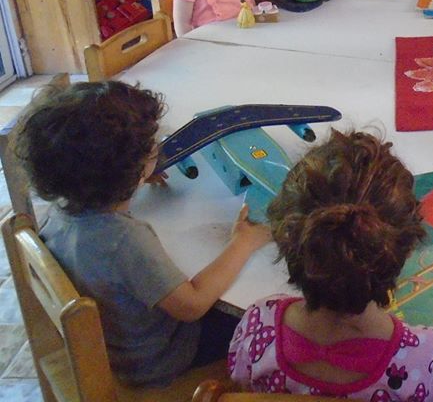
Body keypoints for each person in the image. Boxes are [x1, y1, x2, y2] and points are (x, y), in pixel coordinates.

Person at [13, 80, 271, 387]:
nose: (158, 150)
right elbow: (192, 305)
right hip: (157, 362)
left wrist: (132, 178)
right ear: (128, 169)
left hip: (114, 345)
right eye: (151, 147)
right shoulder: (124, 240)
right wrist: (243, 243)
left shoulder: (63, 209)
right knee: (258, 317)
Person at [228, 129, 433, 401]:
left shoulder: (257, 325)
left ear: (285, 238)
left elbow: (241, 385)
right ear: (407, 247)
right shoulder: (429, 357)